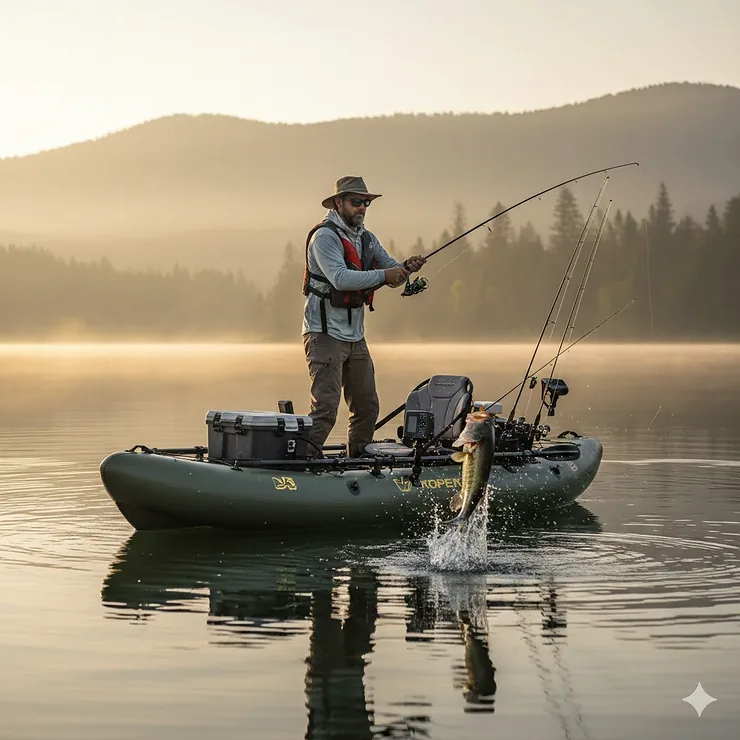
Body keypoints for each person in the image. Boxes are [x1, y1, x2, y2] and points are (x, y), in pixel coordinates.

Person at [302, 175, 426, 458]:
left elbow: (392, 272)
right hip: (324, 334)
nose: (362, 208)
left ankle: (358, 462)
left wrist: (406, 268)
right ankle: (302, 464)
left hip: (355, 336)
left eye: (366, 203)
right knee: (325, 409)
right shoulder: (324, 237)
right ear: (338, 203)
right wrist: (386, 275)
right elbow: (341, 278)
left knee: (367, 406)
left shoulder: (367, 239)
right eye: (356, 202)